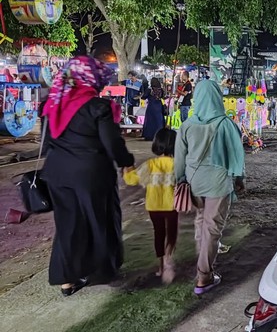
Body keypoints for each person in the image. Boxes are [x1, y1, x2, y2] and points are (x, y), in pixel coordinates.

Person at [41, 56, 135, 296]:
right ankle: (103, 271)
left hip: (57, 174)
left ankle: (66, 280)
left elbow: (49, 141)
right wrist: (126, 163)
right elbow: (111, 142)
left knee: (67, 225)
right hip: (91, 175)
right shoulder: (98, 107)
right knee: (98, 220)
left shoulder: (54, 104)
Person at [174, 80, 245, 296]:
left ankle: (202, 257)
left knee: (201, 221)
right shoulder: (226, 124)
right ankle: (204, 275)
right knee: (212, 227)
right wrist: (240, 178)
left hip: (195, 182)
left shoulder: (187, 125)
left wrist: (180, 180)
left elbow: (179, 158)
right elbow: (236, 154)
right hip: (217, 182)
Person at [123, 129, 178, 283]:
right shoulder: (178, 164)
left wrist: (127, 169)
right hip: (172, 206)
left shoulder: (150, 164)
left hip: (154, 206)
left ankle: (161, 267)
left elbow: (131, 180)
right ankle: (169, 257)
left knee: (158, 233)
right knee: (172, 233)